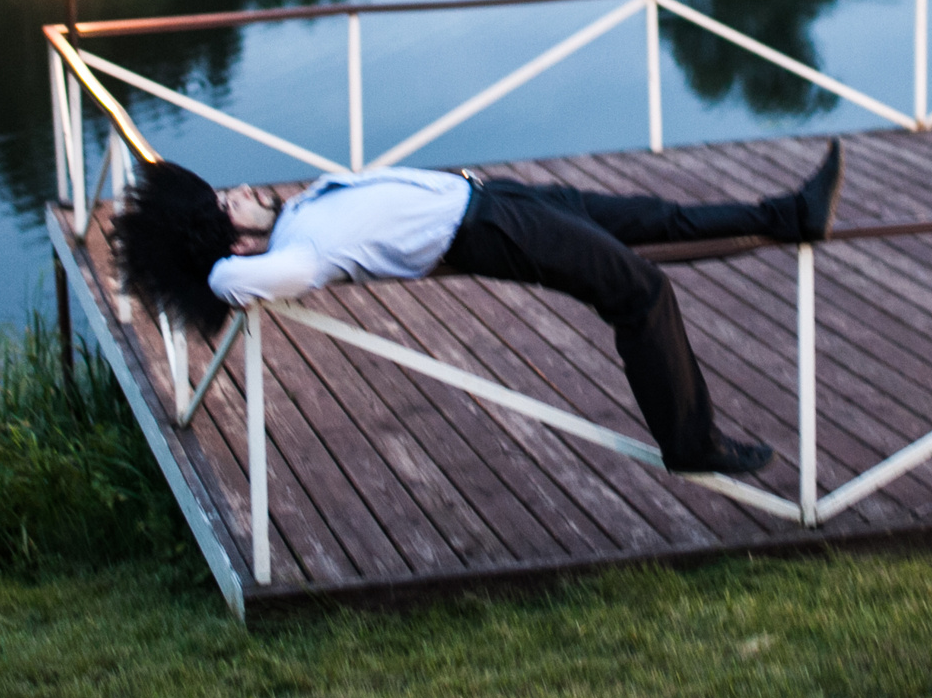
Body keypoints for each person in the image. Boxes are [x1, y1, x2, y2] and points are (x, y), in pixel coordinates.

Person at [113, 143, 844, 476]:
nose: (238, 187)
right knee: (641, 290)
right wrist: (216, 269)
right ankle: (693, 444)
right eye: (226, 202)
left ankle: (788, 214)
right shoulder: (299, 249)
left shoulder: (302, 210)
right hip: (491, 231)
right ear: (236, 239)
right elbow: (240, 283)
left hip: (494, 196)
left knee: (650, 215)